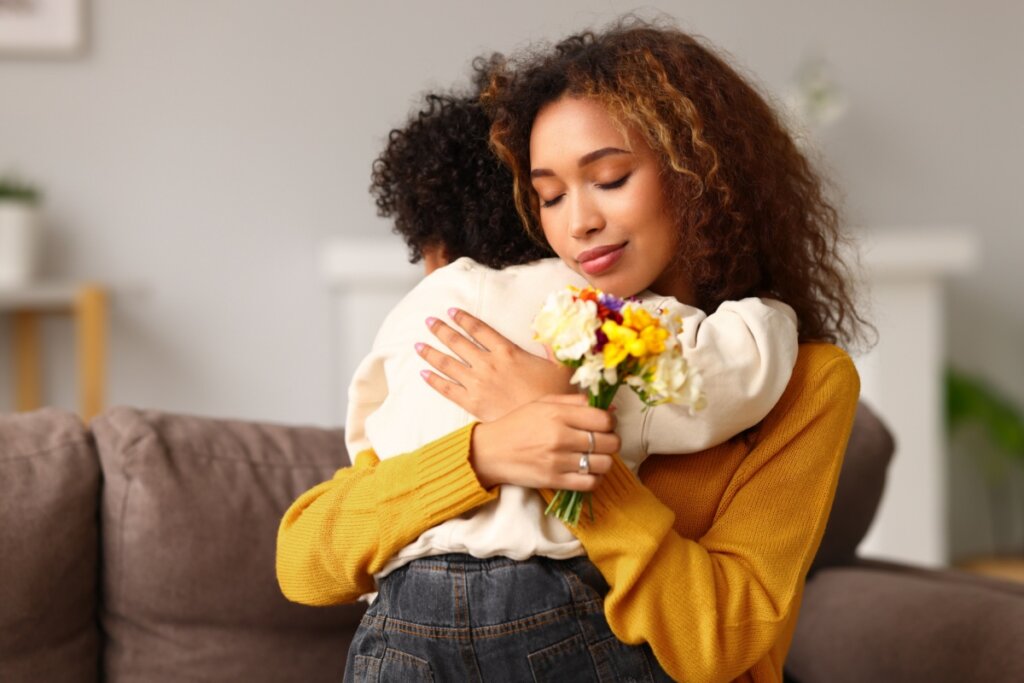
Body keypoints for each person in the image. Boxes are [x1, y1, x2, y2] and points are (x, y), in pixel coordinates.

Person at [277, 18, 863, 683]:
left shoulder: (801, 380)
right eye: (549, 195)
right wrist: (486, 452)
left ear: (698, 173)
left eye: (609, 178)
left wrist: (567, 434)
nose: (577, 223)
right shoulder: (526, 330)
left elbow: (718, 644)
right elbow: (304, 557)